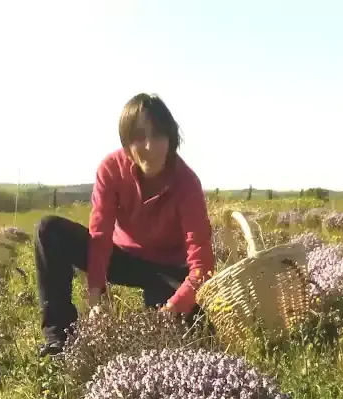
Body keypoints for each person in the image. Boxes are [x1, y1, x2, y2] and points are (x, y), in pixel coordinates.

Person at [34, 93, 216, 357]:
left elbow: (202, 265)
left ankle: (167, 316)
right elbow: (100, 233)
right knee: (48, 229)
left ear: (171, 138)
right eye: (139, 137)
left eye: (157, 136)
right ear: (126, 141)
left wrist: (173, 307)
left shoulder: (187, 183)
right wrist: (96, 297)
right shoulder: (111, 168)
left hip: (166, 269)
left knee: (184, 335)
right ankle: (59, 338)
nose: (149, 146)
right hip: (122, 258)